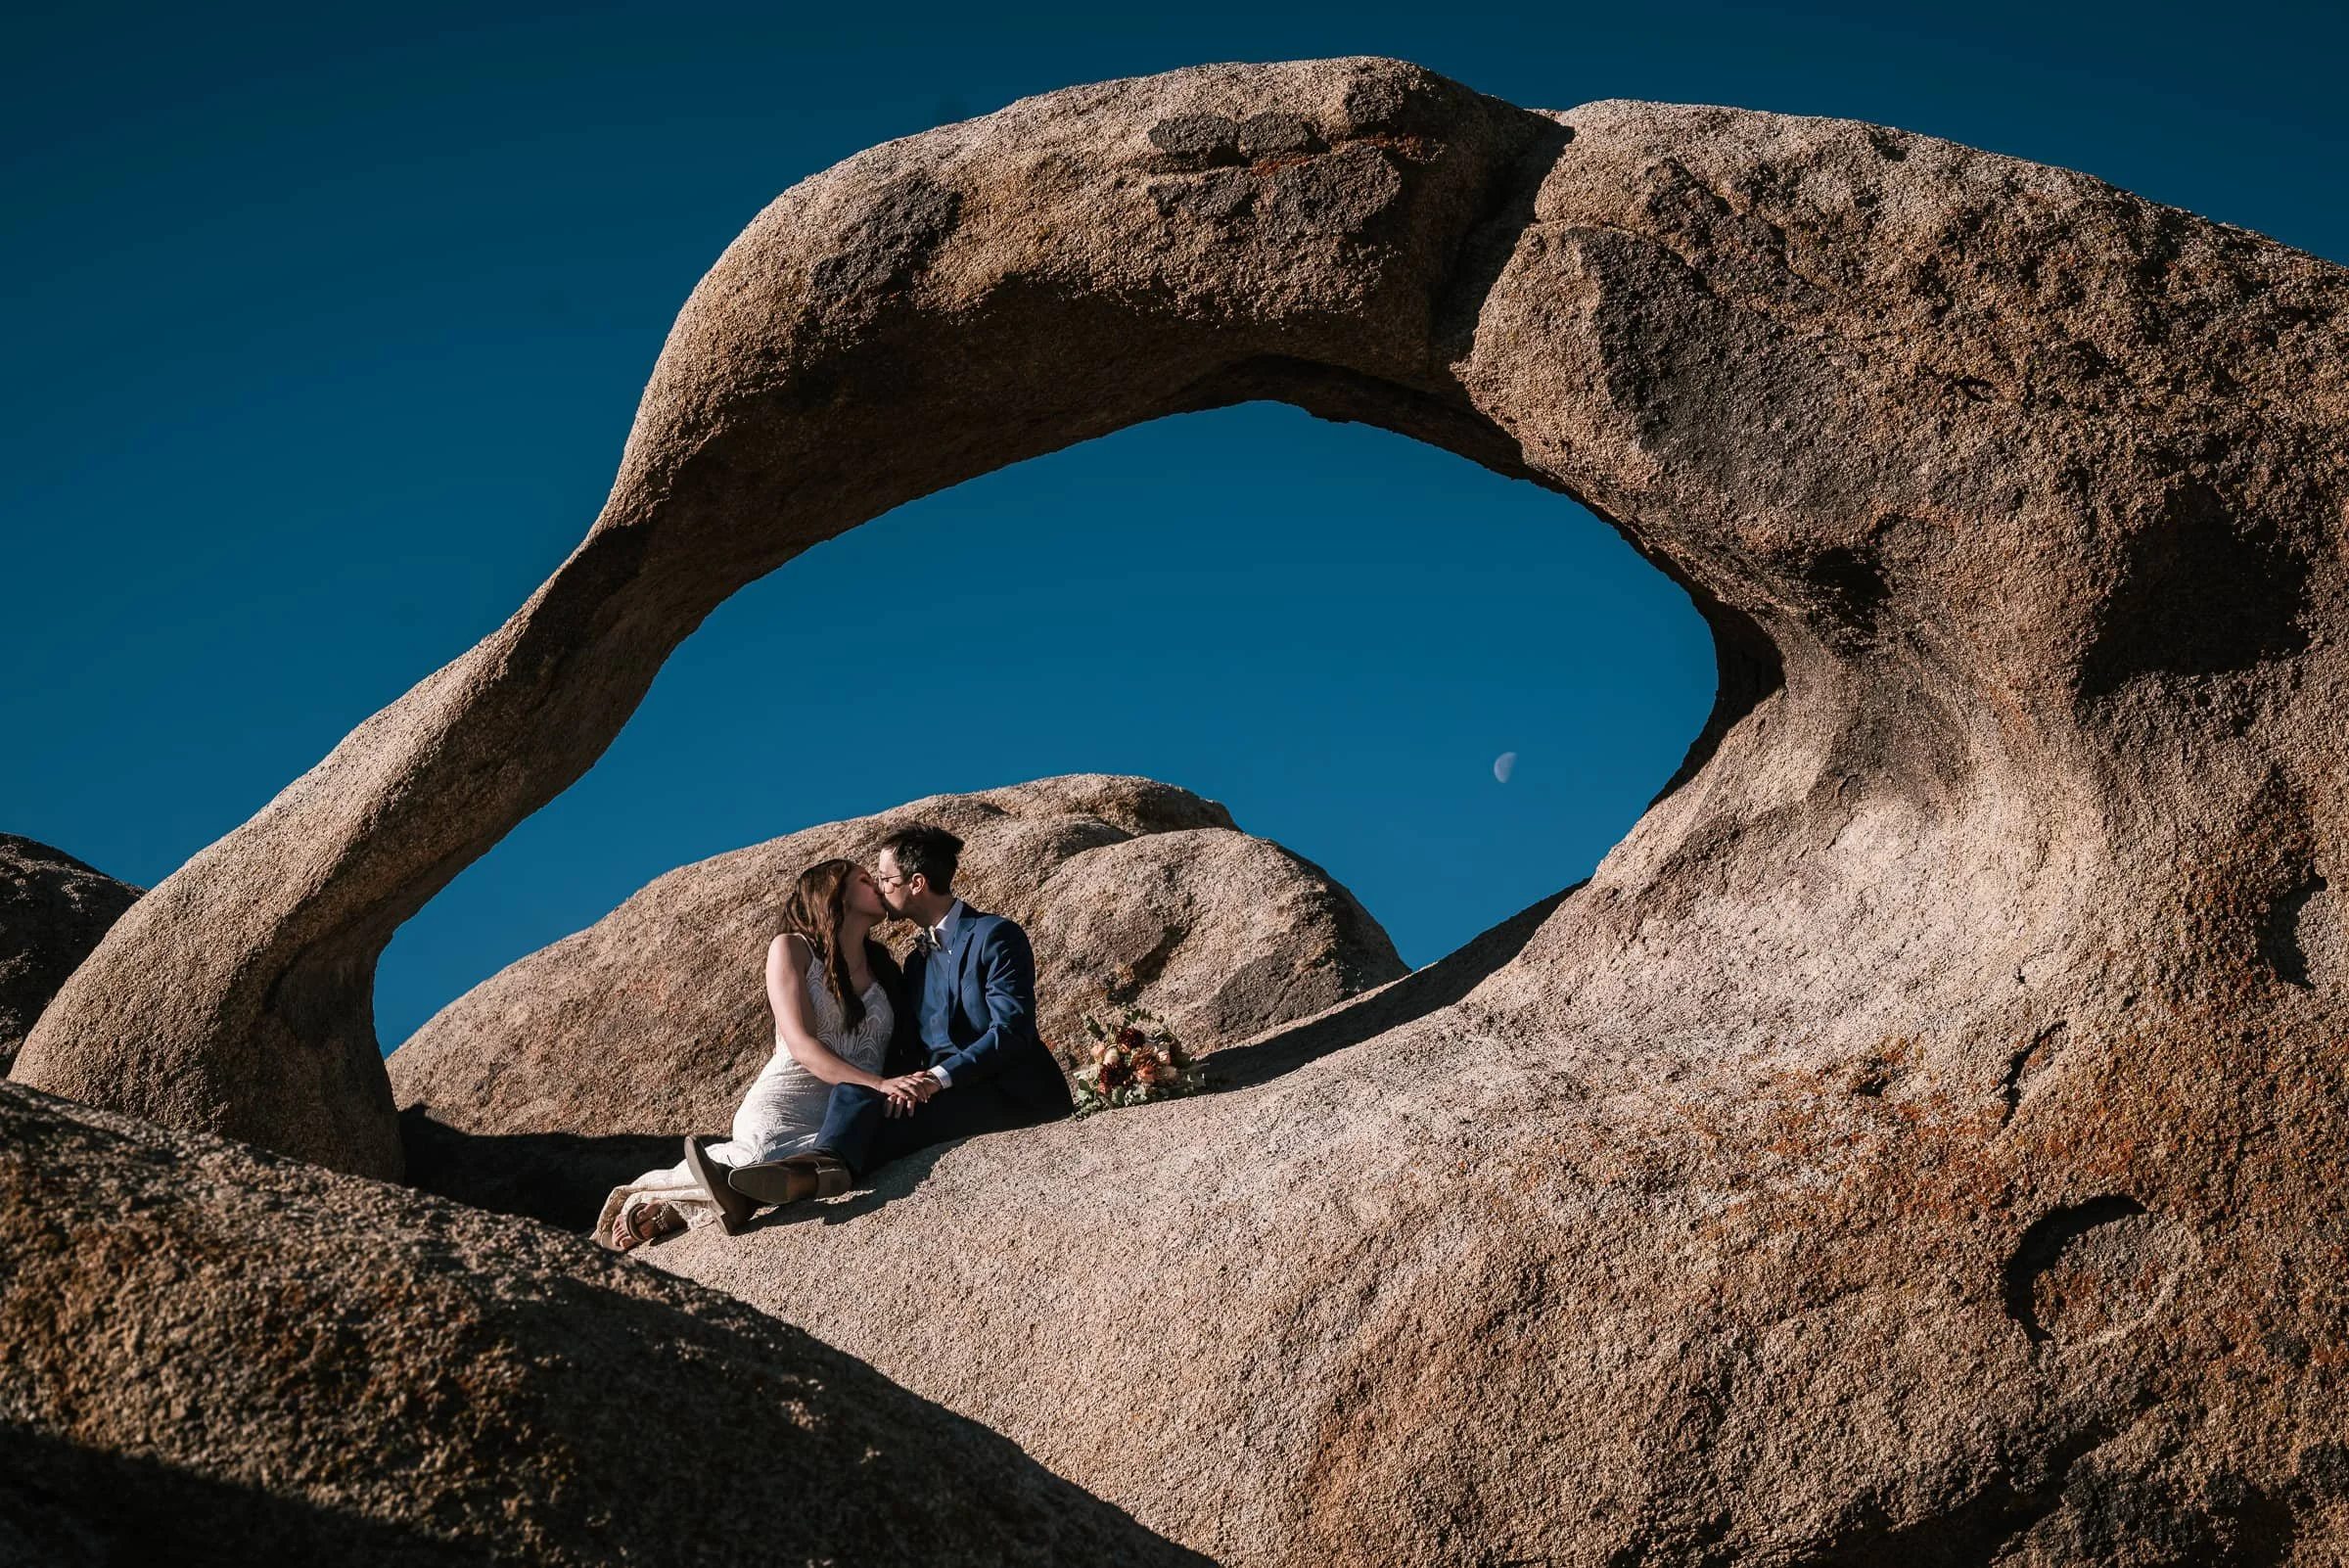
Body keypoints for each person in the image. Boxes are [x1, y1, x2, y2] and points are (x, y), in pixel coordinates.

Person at [724, 823, 1073, 1208]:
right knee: (858, 1094)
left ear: (917, 883)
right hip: (945, 1096)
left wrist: (936, 1080)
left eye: (886, 878)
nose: (879, 887)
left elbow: (1010, 1032)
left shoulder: (995, 935)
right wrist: (893, 1085)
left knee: (877, 1127)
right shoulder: (913, 964)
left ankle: (803, 1175)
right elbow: (905, 1050)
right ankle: (790, 1178)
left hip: (1008, 1092)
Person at [594, 858, 934, 1249]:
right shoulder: (792, 949)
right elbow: (802, 1044)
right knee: (761, 1157)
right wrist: (878, 1083)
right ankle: (657, 1199)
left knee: (817, 1160)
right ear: (832, 892)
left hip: (848, 1110)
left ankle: (714, 1202)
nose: (876, 883)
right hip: (788, 1103)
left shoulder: (886, 969)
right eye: (862, 878)